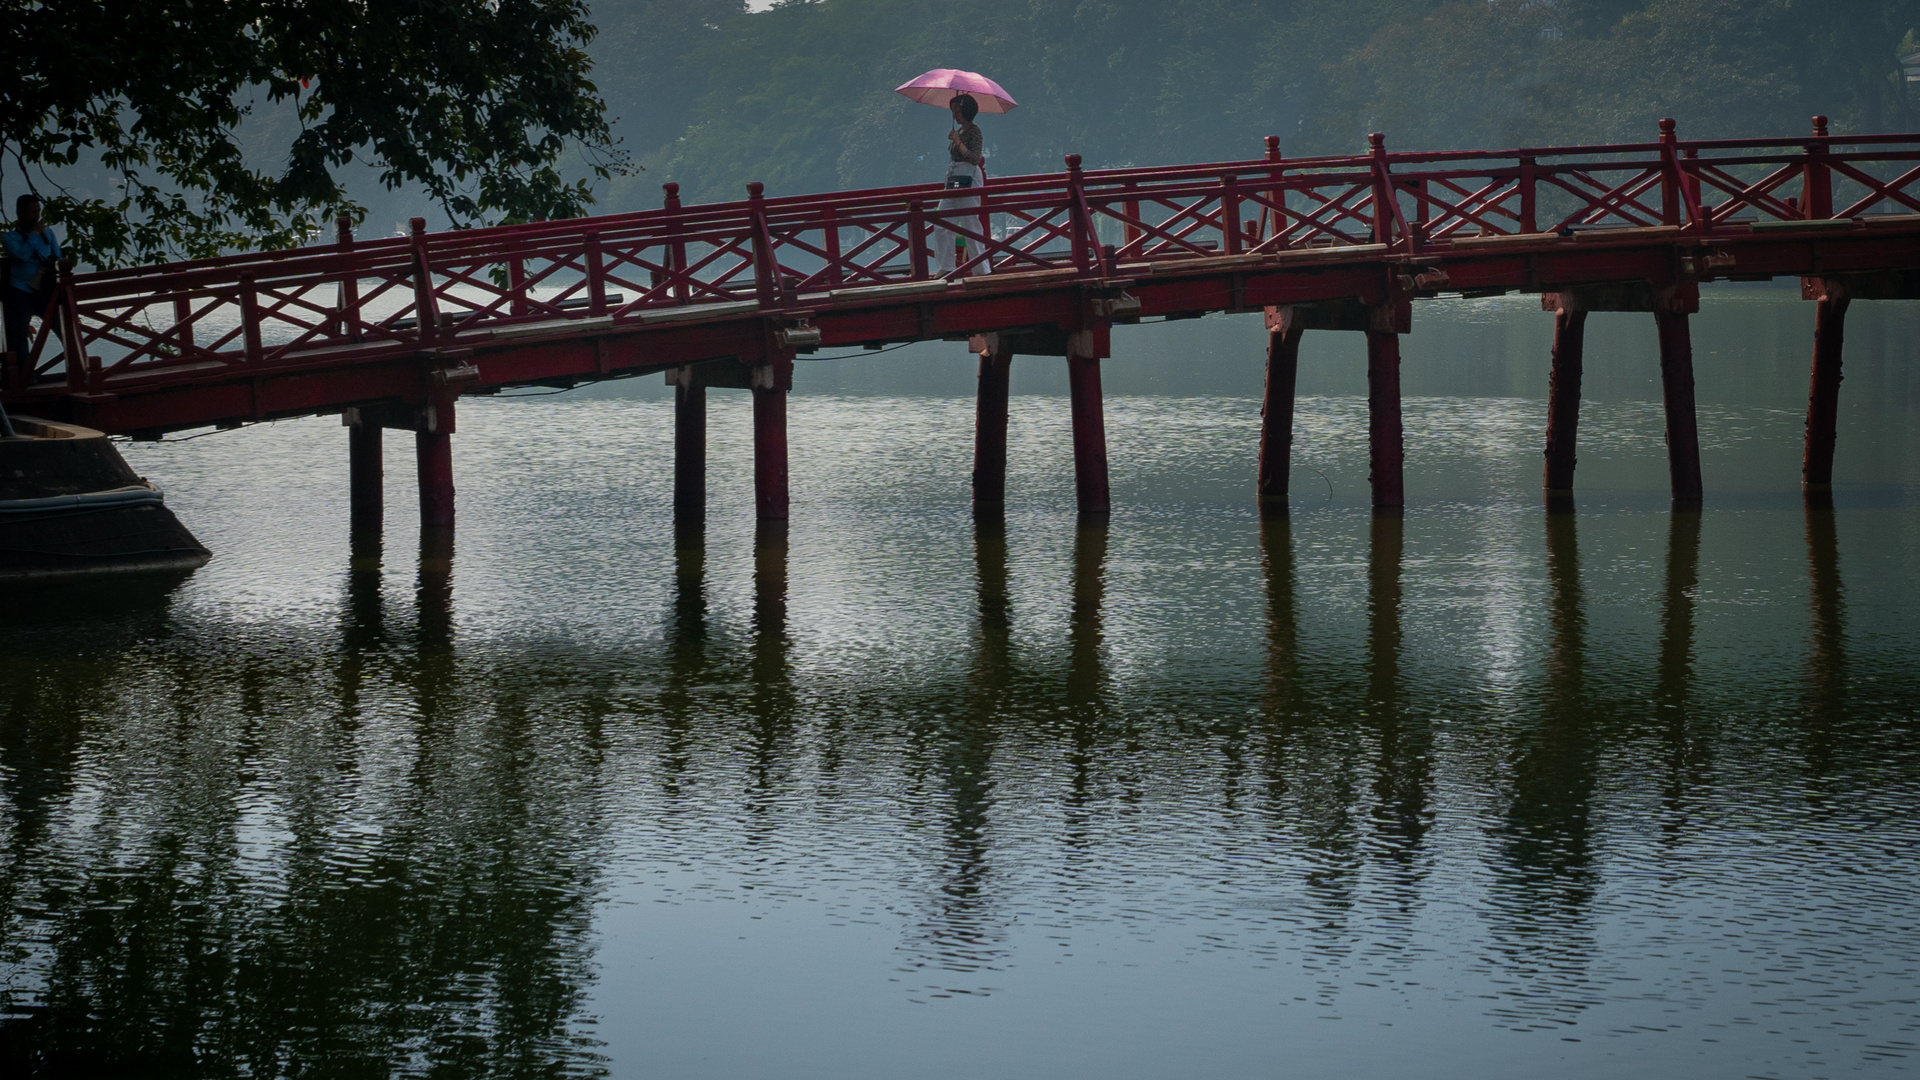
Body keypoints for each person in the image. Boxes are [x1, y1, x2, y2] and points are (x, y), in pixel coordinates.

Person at [3, 193, 66, 363]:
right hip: (20, 291)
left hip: (44, 290)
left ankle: (77, 368)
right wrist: (34, 235)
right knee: (19, 335)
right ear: (20, 213)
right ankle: (25, 377)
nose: (37, 216)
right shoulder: (9, 238)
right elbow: (21, 256)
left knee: (63, 328)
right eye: (32, 212)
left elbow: (58, 256)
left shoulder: (48, 233)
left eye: (38, 211)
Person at [935, 93, 989, 276]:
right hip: (954, 178)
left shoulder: (975, 131)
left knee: (970, 222)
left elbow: (975, 158)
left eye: (957, 111)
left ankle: (981, 269)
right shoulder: (958, 132)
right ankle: (946, 266)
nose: (955, 115)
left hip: (969, 177)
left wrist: (958, 143)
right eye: (953, 111)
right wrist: (955, 140)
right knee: (942, 220)